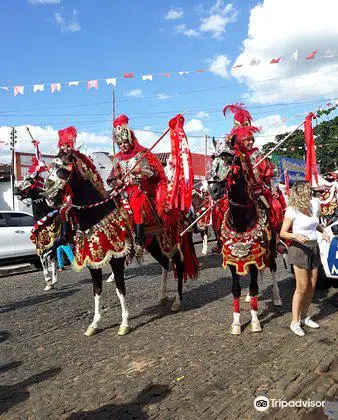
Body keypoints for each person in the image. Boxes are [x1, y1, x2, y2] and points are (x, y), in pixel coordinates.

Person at [107, 115, 167, 251]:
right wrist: (117, 181)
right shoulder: (117, 159)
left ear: (131, 141)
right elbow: (111, 179)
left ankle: (140, 237)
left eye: (125, 142)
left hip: (138, 189)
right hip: (122, 191)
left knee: (136, 201)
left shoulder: (140, 155)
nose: (123, 145)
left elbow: (154, 173)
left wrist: (140, 171)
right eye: (120, 143)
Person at [280, 181, 330, 336]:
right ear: (301, 192)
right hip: (299, 249)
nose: (311, 193)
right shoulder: (292, 210)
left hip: (314, 247)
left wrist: (324, 231)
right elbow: (283, 233)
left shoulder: (311, 206)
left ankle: (304, 317)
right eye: (309, 191)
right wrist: (295, 235)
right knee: (302, 287)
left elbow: (314, 224)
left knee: (312, 285)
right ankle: (294, 321)